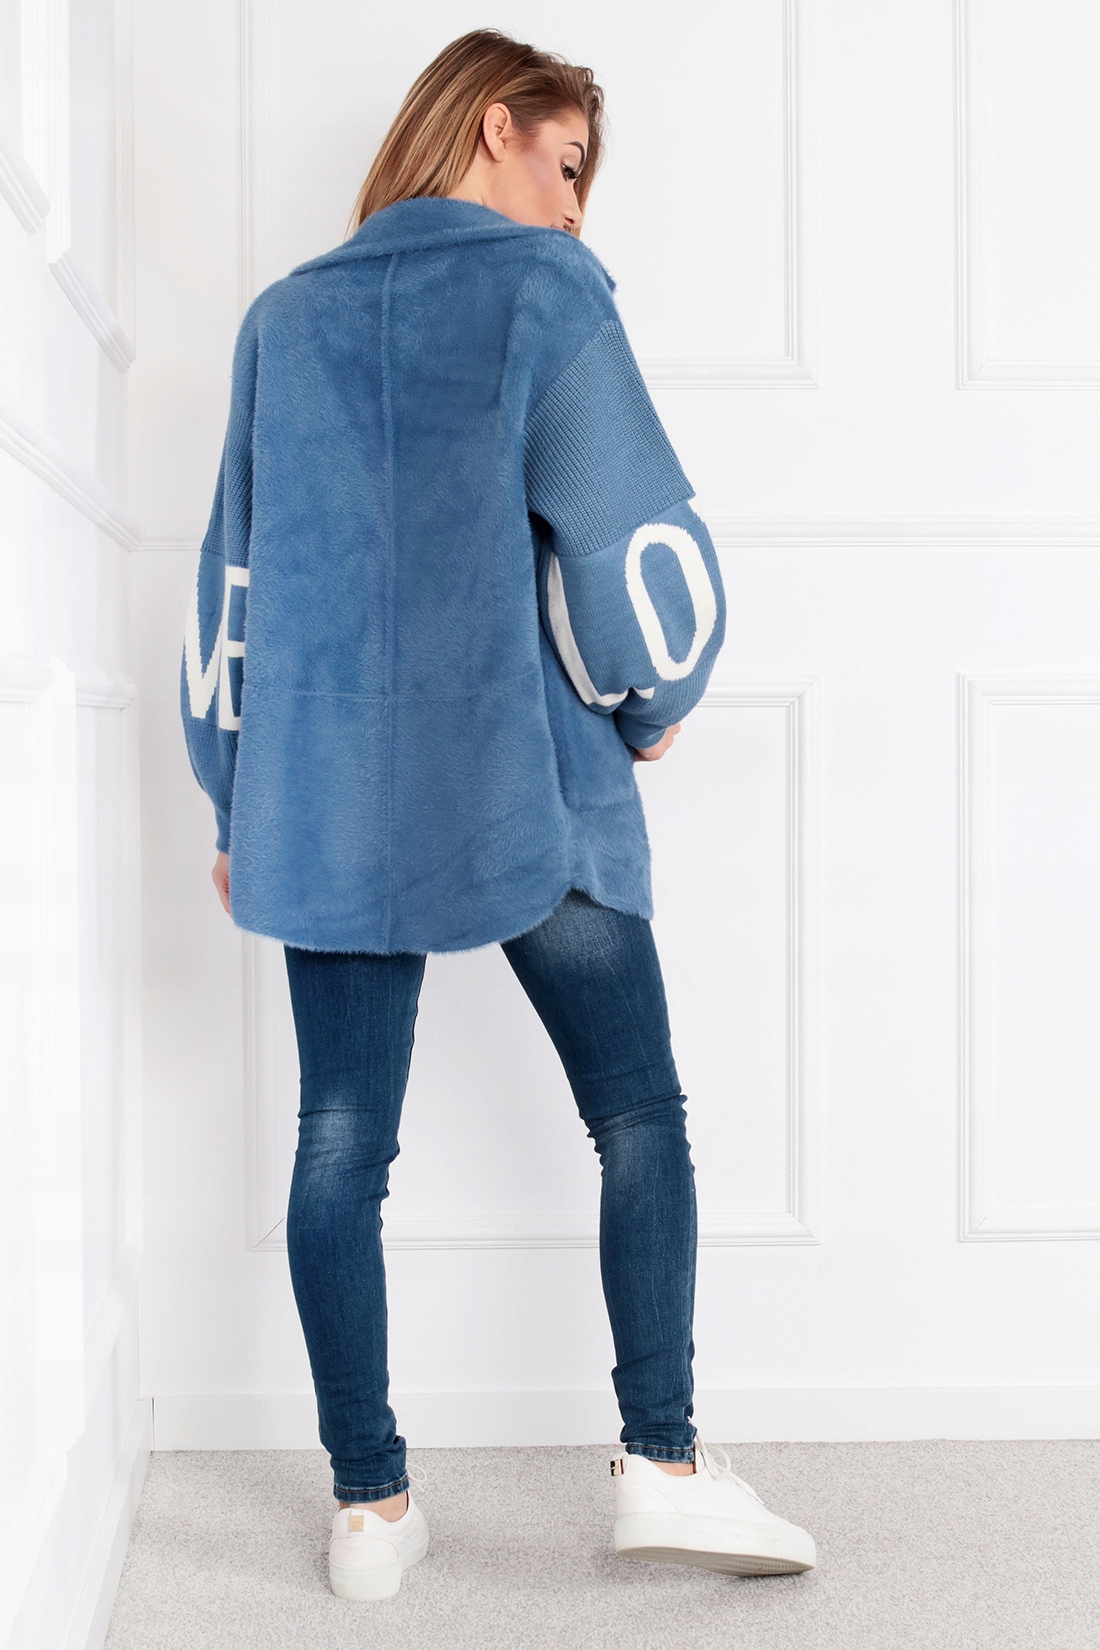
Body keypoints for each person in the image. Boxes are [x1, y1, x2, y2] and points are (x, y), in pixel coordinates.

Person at [180, 27, 816, 1602]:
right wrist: (655, 699)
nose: (577, 206)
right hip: (529, 777)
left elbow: (233, 585)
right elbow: (630, 541)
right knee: (638, 1110)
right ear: (491, 125)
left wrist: (234, 791)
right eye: (569, 161)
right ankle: (662, 1461)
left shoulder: (282, 321)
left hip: (327, 792)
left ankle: (369, 1508)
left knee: (339, 1140)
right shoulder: (549, 294)